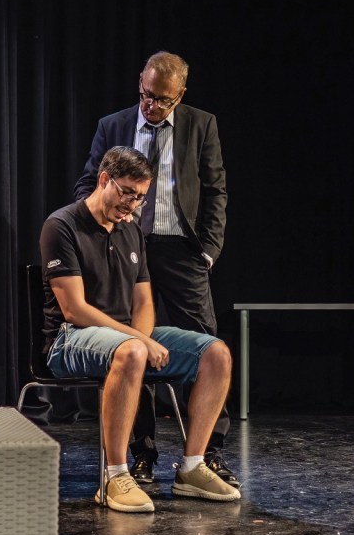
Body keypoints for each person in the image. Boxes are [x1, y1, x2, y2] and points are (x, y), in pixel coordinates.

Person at [43, 146, 239, 512]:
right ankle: (114, 475)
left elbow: (144, 302)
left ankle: (192, 466)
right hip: (70, 339)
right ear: (104, 179)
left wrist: (143, 337)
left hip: (126, 338)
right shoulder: (63, 225)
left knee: (216, 353)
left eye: (140, 197)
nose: (132, 204)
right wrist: (137, 340)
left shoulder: (131, 231)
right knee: (132, 350)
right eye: (127, 193)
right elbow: (75, 309)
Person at [73, 50, 236, 488]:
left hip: (181, 251)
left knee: (206, 348)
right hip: (126, 247)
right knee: (132, 344)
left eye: (163, 100)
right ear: (140, 84)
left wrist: (208, 251)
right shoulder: (113, 125)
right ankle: (140, 454)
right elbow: (89, 183)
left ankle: (206, 454)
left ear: (180, 95)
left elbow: (216, 190)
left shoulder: (201, 124)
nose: (152, 105)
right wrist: (97, 236)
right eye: (146, 95)